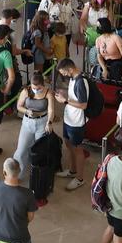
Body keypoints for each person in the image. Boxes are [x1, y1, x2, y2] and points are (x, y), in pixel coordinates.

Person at [13, 70, 58, 175]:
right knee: (21, 150)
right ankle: (16, 174)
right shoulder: (26, 91)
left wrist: (49, 123)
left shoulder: (48, 93)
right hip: (27, 122)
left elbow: (51, 110)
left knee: (40, 150)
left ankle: (38, 173)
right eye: (33, 88)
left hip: (42, 122)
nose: (36, 90)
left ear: (43, 85)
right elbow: (19, 106)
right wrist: (26, 111)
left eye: (38, 88)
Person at [55, 59, 90, 191]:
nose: (63, 75)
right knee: (68, 143)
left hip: (76, 122)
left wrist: (65, 101)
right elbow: (74, 97)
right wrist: (64, 95)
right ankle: (72, 170)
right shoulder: (72, 78)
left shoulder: (80, 82)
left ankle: (80, 179)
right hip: (69, 118)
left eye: (63, 72)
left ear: (70, 69)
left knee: (78, 149)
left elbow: (83, 105)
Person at [0, 158, 39, 243]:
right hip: (21, 239)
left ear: (4, 173)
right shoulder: (28, 194)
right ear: (19, 171)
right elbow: (30, 217)